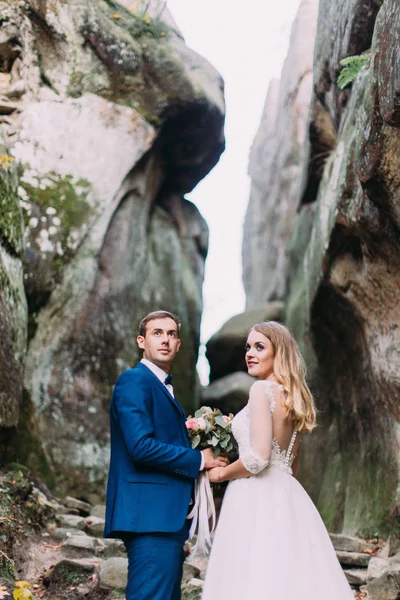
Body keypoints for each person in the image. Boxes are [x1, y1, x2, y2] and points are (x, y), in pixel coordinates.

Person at [202, 321, 354, 600]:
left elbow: (259, 458)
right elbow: (290, 465)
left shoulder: (261, 390)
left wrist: (221, 475)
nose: (250, 353)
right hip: (288, 494)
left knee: (252, 576)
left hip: (255, 493)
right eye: (248, 347)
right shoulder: (295, 398)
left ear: (279, 353)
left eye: (260, 347)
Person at [103, 310, 227, 600]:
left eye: (171, 334)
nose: (165, 340)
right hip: (150, 518)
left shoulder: (163, 388)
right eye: (157, 333)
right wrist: (199, 460)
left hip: (166, 519)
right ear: (141, 341)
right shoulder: (134, 380)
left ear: (179, 345)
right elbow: (140, 446)